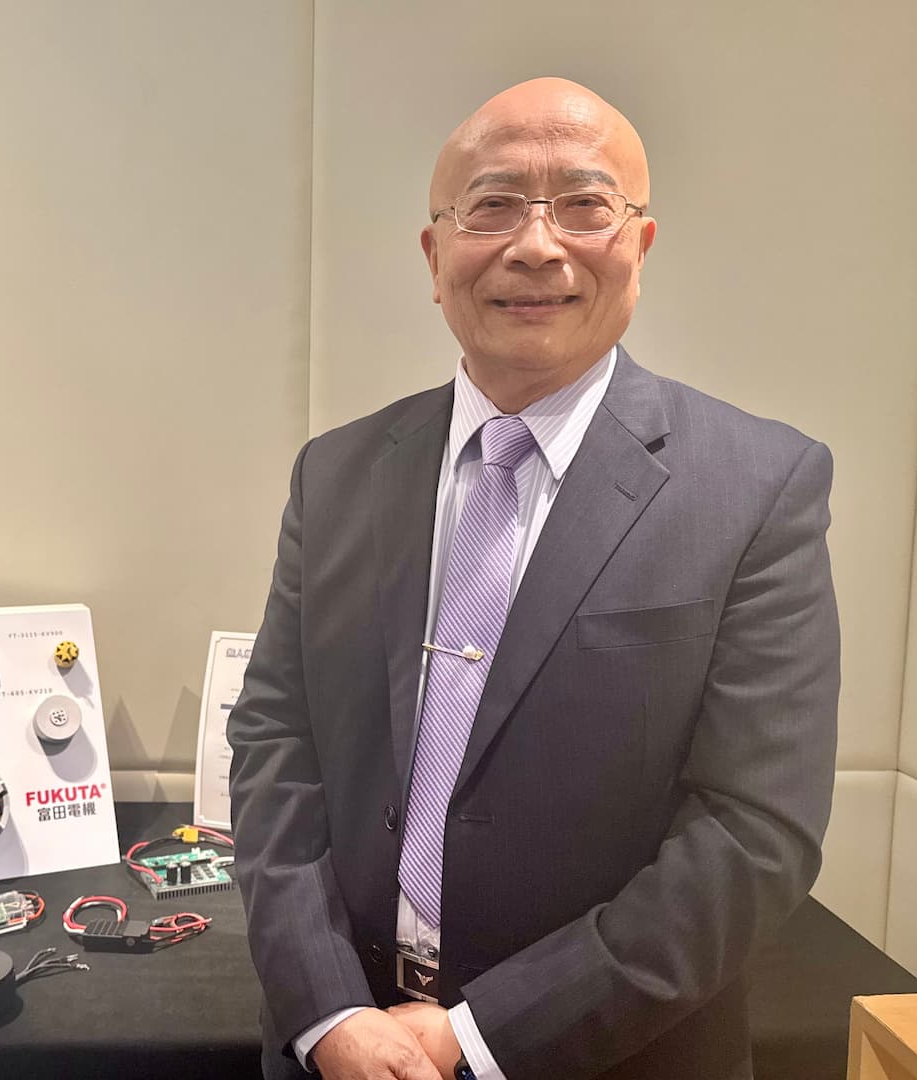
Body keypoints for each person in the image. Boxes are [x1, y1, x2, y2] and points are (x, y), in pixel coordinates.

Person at [227, 77, 839, 1080]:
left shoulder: (756, 488)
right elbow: (273, 742)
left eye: (585, 205)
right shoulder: (335, 474)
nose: (536, 245)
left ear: (638, 246)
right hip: (341, 1043)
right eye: (494, 205)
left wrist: (478, 1039)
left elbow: (751, 833)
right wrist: (326, 1007)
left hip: (610, 1053)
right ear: (434, 257)